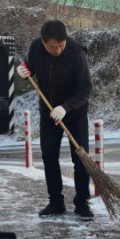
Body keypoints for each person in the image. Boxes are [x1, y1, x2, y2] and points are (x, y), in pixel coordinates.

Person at [17, 20, 94, 218]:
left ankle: (82, 203)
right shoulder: (36, 48)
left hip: (75, 113)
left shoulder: (77, 54)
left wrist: (65, 107)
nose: (58, 50)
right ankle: (56, 203)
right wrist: (24, 71)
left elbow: (86, 89)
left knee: (81, 159)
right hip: (49, 113)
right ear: (43, 42)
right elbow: (29, 68)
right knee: (49, 157)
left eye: (61, 45)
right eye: (52, 46)